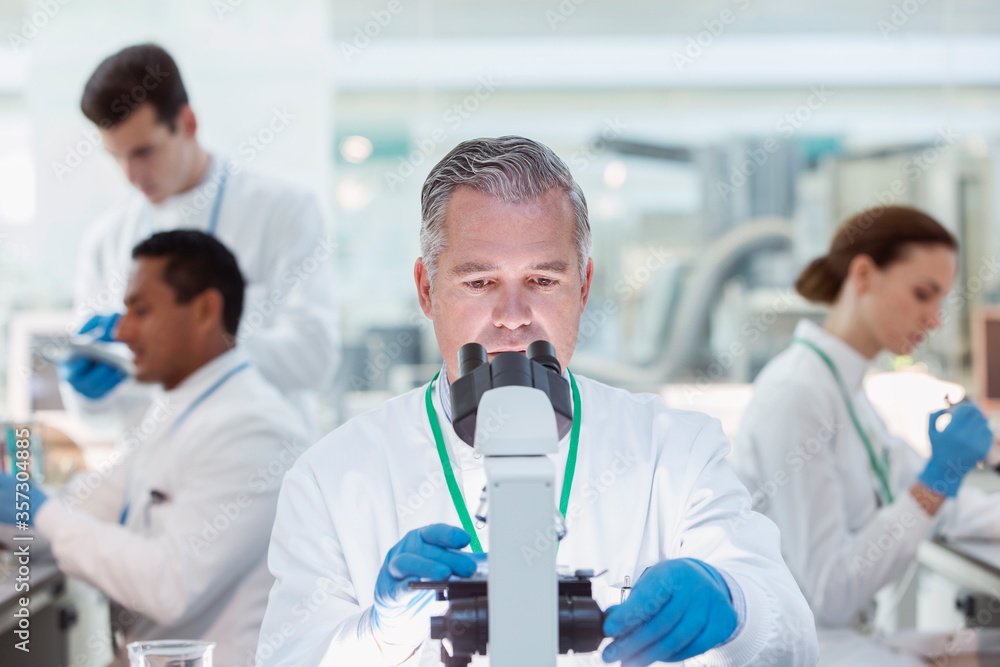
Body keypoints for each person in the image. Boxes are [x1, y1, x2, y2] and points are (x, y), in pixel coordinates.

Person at [256, 136, 818, 666]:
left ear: (584, 286)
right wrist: (378, 636)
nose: (512, 316)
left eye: (543, 281)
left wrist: (736, 603)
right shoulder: (332, 478)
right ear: (426, 290)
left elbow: (791, 635)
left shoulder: (674, 452)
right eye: (479, 282)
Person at [1, 231, 309, 666]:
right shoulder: (176, 411)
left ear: (205, 311)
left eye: (140, 310)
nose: (122, 331)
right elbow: (80, 515)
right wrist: (20, 508)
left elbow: (170, 586)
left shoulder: (255, 429)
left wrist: (41, 511)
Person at [732, 206, 1000, 665]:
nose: (936, 319)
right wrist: (936, 481)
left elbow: (944, 507)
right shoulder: (798, 394)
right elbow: (827, 594)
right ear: (863, 274)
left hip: (847, 638)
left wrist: (941, 481)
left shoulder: (848, 392)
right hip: (806, 647)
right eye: (923, 294)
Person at [64, 43, 339, 437]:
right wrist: (87, 394)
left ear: (188, 123)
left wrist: (197, 342)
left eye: (144, 152)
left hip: (262, 461)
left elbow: (316, 358)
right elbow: (97, 419)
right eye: (117, 157)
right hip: (154, 467)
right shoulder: (105, 239)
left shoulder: (282, 210)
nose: (131, 175)